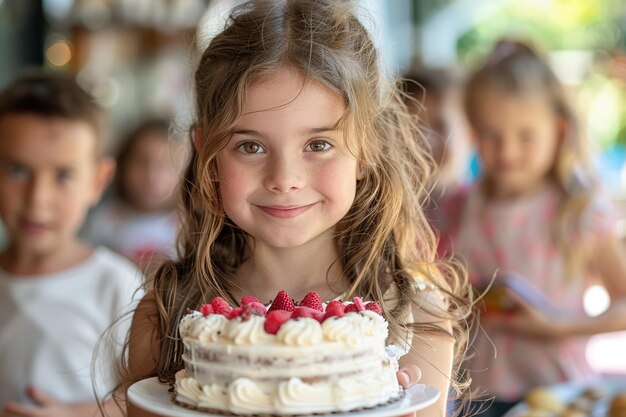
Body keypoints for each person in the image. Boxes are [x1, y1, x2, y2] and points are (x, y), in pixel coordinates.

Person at [118, 1, 474, 417]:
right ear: (208, 155)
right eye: (250, 146)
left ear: (368, 149)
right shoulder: (165, 313)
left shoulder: (417, 319)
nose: (284, 178)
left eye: (318, 145)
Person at [438, 40, 626, 417]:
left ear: (557, 131)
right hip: (477, 398)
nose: (507, 151)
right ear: (472, 131)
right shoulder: (454, 208)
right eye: (491, 135)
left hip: (560, 394)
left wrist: (555, 325)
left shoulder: (579, 211)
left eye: (525, 136)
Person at [0, 71, 143, 417]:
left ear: (97, 181)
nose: (38, 200)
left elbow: (142, 396)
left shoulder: (116, 285)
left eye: (63, 175)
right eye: (18, 171)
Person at [83, 118, 184, 275]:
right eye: (142, 162)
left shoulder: (186, 227)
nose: (151, 176)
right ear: (123, 164)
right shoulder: (103, 221)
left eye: (165, 165)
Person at [401, 68, 471, 227]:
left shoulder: (483, 213)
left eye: (439, 126)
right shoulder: (384, 216)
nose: (425, 141)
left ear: (471, 133)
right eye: (412, 128)